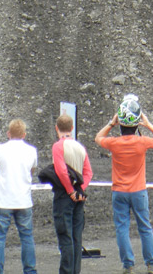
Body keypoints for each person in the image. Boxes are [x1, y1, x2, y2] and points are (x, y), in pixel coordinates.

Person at [95, 94, 153, 274]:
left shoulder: (114, 143)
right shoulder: (142, 142)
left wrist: (112, 123)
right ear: (136, 124)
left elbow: (98, 137)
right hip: (138, 191)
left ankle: (128, 266)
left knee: (122, 229)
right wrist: (148, 124)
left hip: (119, 191)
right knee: (145, 227)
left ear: (121, 123)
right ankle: (152, 264)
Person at [0, 119, 38, 274]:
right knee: (26, 237)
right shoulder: (31, 150)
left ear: (8, 133)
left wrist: (2, 172)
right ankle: (30, 270)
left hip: (3, 201)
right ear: (24, 134)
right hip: (23, 200)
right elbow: (32, 170)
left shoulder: (0, 149)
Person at [52, 113, 93, 274]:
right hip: (79, 195)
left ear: (57, 128)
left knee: (65, 237)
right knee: (77, 237)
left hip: (64, 195)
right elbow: (88, 172)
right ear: (72, 128)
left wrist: (70, 191)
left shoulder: (58, 146)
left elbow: (61, 171)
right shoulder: (80, 147)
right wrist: (79, 189)